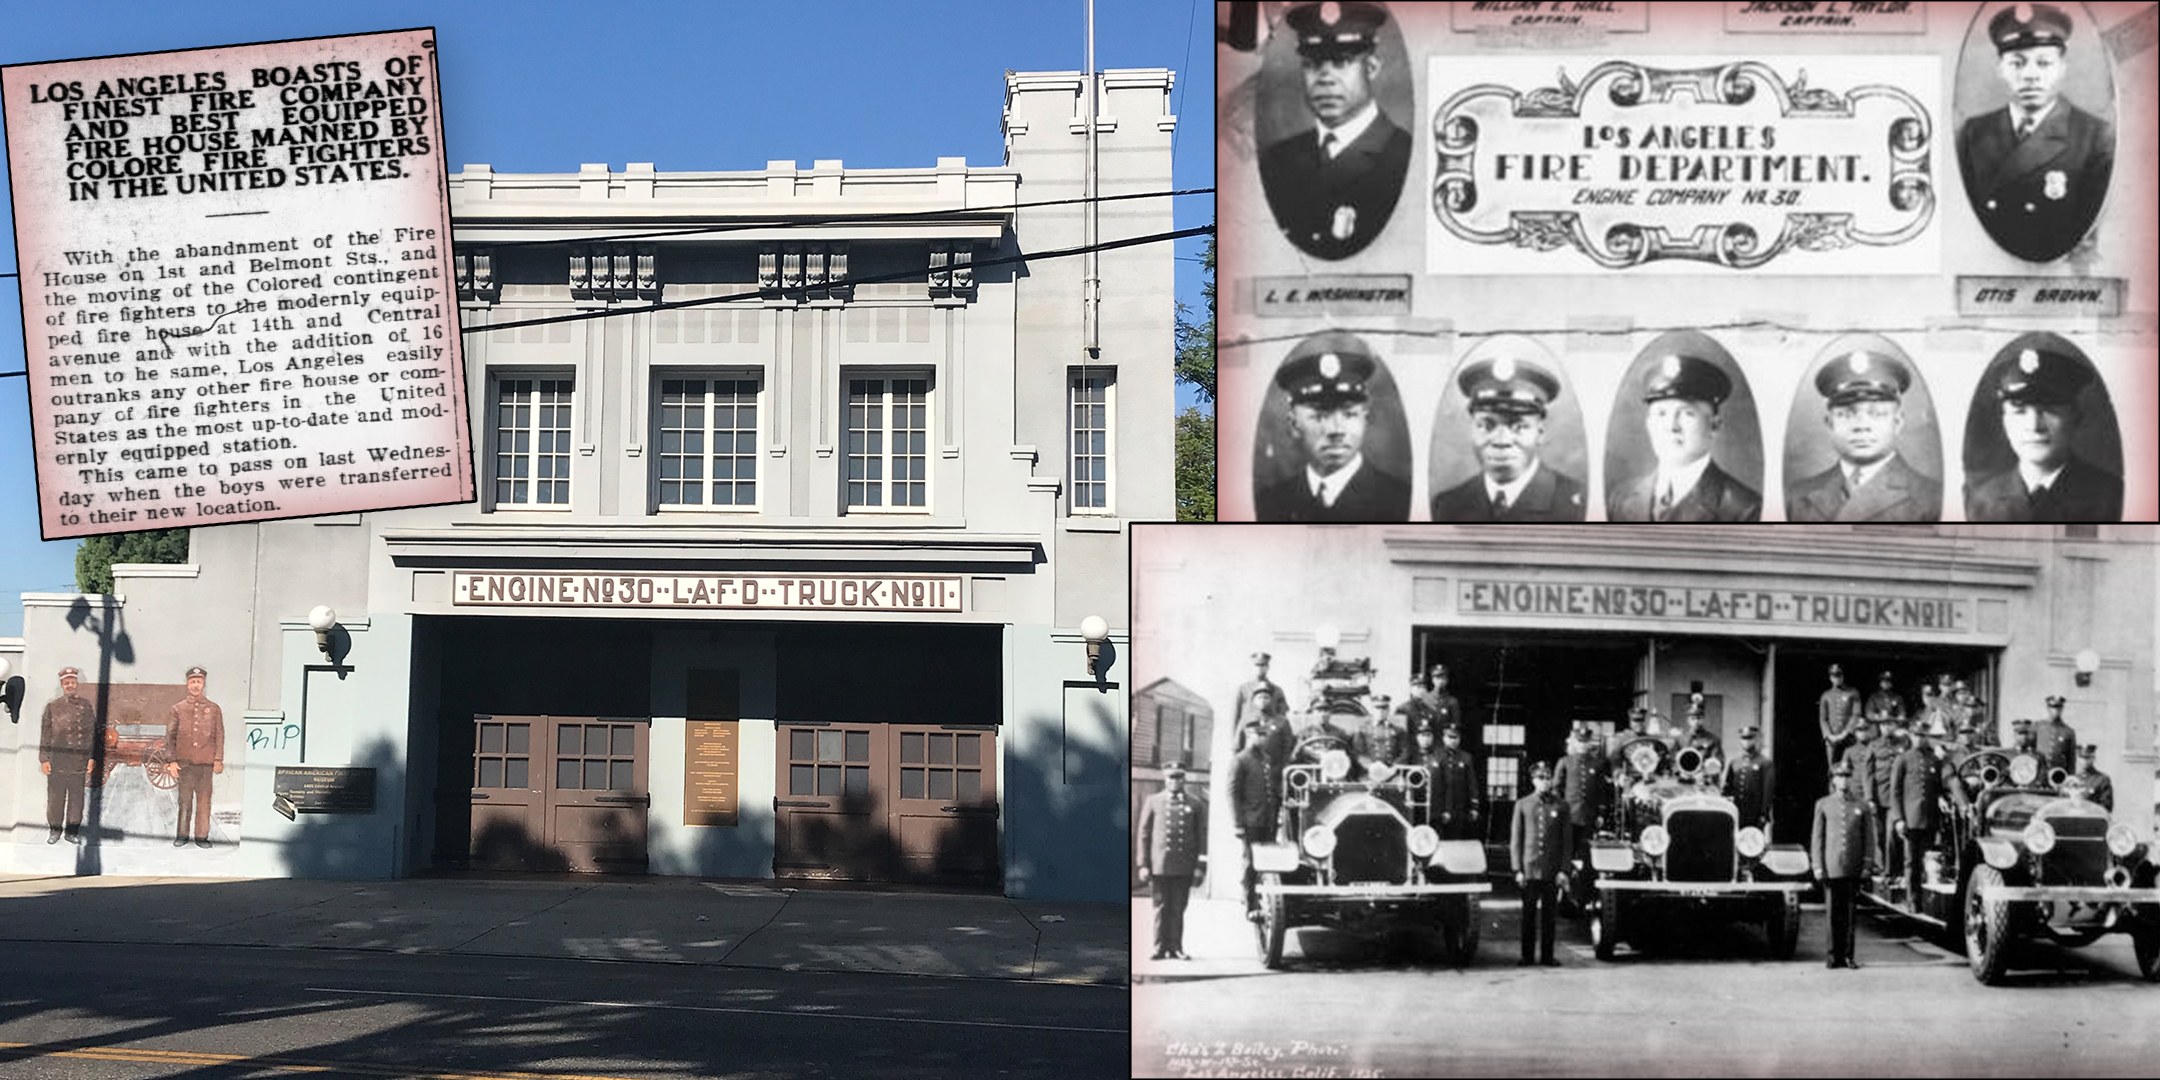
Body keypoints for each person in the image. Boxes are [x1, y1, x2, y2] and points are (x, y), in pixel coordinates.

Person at [1956, 3, 2113, 263]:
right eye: (2017, 63)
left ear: (2062, 68)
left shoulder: (2095, 137)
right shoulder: (1973, 133)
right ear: (2000, 69)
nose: (2030, 75)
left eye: (2043, 63)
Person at [1258, 1, 1411, 260]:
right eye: (1314, 64)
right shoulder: (1278, 159)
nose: (1326, 78)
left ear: (1371, 68)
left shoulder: (1403, 155)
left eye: (1342, 62)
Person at [1256, 332, 1411, 521]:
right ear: (1295, 425)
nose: (1336, 430)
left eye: (1349, 414)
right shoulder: (1269, 504)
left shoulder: (1400, 501)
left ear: (1365, 418)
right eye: (1320, 416)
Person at [1966, 345, 2122, 521]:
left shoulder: (2112, 498)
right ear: (2005, 421)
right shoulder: (1979, 502)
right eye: (2019, 411)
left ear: (2075, 417)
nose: (2034, 426)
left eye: (2049, 409)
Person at [1787, 350, 1942, 522]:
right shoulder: (1795, 497)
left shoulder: (1933, 498)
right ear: (1830, 423)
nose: (1862, 426)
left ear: (1897, 422)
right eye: (1846, 414)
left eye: (1877, 414)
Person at [1606, 352, 1762, 522]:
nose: (1672, 427)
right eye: (1661, 413)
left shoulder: (1745, 508)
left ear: (1714, 425)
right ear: (1649, 424)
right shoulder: (1620, 497)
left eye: (1687, 414)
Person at [1430, 355, 1586, 521]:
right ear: (1472, 429)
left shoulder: (1577, 506)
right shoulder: (1446, 506)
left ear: (1540, 433)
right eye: (1486, 426)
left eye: (1518, 427)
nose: (1501, 441)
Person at [1137, 763, 1208, 960]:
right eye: (1170, 778)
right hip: (1159, 865)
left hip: (1184, 866)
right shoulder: (1154, 801)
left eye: (1178, 778)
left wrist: (1200, 866)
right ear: (1165, 780)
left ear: (1184, 780)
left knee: (1178, 908)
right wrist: (1142, 864)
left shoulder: (1195, 804)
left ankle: (1176, 947)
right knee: (1160, 907)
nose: (1174, 782)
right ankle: (1159, 947)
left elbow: (1202, 836)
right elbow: (1144, 834)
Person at [1812, 760, 1877, 970]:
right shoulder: (1823, 804)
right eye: (1839, 776)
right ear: (1833, 780)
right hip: (1831, 866)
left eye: (1847, 776)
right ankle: (1833, 956)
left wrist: (1867, 864)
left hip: (1853, 866)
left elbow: (1869, 838)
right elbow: (1818, 838)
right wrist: (1818, 866)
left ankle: (1848, 956)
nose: (1843, 780)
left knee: (1850, 914)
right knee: (1832, 914)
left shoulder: (1862, 805)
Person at [1510, 760, 1566, 967]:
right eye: (1540, 778)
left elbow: (1566, 842)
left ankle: (1547, 956)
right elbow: (1516, 840)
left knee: (1549, 917)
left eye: (1548, 778)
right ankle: (1526, 956)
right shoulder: (1522, 804)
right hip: (1530, 869)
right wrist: (1517, 869)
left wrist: (1563, 870)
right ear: (1533, 780)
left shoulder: (1561, 805)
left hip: (1552, 871)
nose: (1545, 782)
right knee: (1528, 916)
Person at [1889, 727, 1952, 901]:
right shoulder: (1903, 759)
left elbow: (1938, 787)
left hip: (1930, 818)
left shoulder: (1934, 760)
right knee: (1912, 862)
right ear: (1911, 736)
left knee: (1929, 862)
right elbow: (1895, 792)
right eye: (1917, 735)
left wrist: (1941, 798)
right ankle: (1913, 901)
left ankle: (1927, 900)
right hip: (1911, 819)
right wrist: (1899, 819)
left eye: (1923, 736)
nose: (1920, 739)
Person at [166, 666, 225, 849]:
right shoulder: (178, 709)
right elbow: (170, 736)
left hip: (206, 765)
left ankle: (201, 837)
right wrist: (171, 761)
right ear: (187, 684)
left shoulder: (214, 709)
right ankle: (182, 835)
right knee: (185, 801)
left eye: (199, 682)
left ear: (203, 684)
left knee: (204, 802)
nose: (195, 685)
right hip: (185, 764)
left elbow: (219, 735)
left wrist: (218, 759)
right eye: (192, 682)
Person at [1552, 723, 1609, 906]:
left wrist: (1600, 813)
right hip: (1570, 818)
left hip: (1589, 819)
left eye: (1586, 742)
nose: (1583, 745)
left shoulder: (1598, 764)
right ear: (1575, 743)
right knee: (1565, 857)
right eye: (1580, 742)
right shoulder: (1565, 762)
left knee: (1587, 859)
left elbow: (1602, 791)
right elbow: (1556, 790)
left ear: (1590, 743)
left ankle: (1584, 896)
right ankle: (1563, 896)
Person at [39, 666, 96, 846]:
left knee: (76, 799)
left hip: (78, 761)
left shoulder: (86, 706)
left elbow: (92, 734)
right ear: (62, 685)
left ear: (76, 684)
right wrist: (44, 759)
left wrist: (92, 757)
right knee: (55, 798)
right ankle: (55, 831)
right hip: (57, 760)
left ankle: (72, 832)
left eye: (72, 682)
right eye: (66, 683)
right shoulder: (52, 706)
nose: (70, 685)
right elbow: (45, 734)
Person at [1228, 726, 1279, 922]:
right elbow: (1232, 793)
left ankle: (1263, 900)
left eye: (1265, 735)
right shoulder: (1240, 760)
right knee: (1251, 863)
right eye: (1259, 735)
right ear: (1249, 736)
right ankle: (1250, 904)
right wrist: (1237, 823)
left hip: (1267, 820)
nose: (1263, 738)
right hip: (1251, 822)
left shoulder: (1265, 758)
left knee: (1267, 862)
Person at [1429, 724, 1483, 841]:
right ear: (1444, 738)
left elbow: (1471, 784)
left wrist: (1474, 807)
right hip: (1438, 809)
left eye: (1456, 738)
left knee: (1456, 842)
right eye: (1450, 737)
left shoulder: (1466, 758)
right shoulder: (1435, 756)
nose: (1453, 741)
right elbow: (1435, 786)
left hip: (1458, 809)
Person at [1867, 724, 1904, 880]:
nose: (1888, 728)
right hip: (1879, 797)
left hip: (1894, 798)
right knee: (1880, 835)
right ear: (1880, 727)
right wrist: (1869, 798)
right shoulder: (1874, 746)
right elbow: (1867, 774)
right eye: (1884, 724)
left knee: (1891, 836)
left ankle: (1890, 872)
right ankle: (1882, 867)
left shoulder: (1902, 743)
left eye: (1891, 724)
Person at [1723, 725, 1774, 832]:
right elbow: (1727, 789)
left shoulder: (1764, 763)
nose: (1746, 741)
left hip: (1755, 814)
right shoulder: (1735, 763)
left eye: (1750, 738)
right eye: (1744, 738)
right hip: (1737, 813)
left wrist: (1764, 814)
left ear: (1755, 739)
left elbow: (1767, 792)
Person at [1817, 663, 1861, 770]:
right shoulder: (1825, 695)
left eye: (1839, 675)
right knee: (1832, 768)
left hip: (1849, 737)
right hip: (1832, 738)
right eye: (1834, 676)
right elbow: (1823, 718)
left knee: (1852, 766)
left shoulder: (1853, 693)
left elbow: (1856, 714)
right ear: (1830, 678)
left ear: (1843, 676)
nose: (1837, 679)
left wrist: (1845, 733)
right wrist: (1829, 735)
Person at [2032, 694, 2078, 774]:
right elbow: (2030, 751)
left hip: (2059, 774)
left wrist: (2070, 777)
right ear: (2048, 708)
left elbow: (2071, 759)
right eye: (2053, 707)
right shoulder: (2038, 726)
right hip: (2039, 772)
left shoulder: (2068, 731)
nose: (2056, 710)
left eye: (2059, 707)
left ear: (2062, 709)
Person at [2063, 743, 2113, 810]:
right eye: (2082, 758)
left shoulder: (2102, 780)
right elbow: (2062, 802)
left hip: (2091, 818)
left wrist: (2084, 804)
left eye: (2088, 758)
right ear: (2078, 759)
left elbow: (2106, 806)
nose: (2084, 761)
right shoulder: (2071, 780)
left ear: (2093, 758)